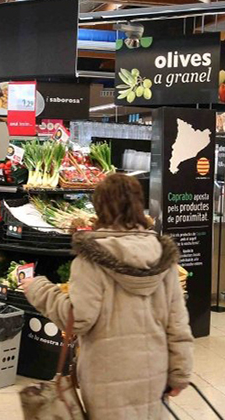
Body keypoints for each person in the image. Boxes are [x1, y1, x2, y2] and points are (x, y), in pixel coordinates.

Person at [22, 174, 193, 419]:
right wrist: (180, 372)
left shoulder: (91, 259)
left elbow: (78, 318)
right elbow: (177, 323)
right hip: (154, 370)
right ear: (137, 205)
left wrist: (39, 289)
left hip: (106, 373)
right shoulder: (162, 257)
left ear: (100, 207)